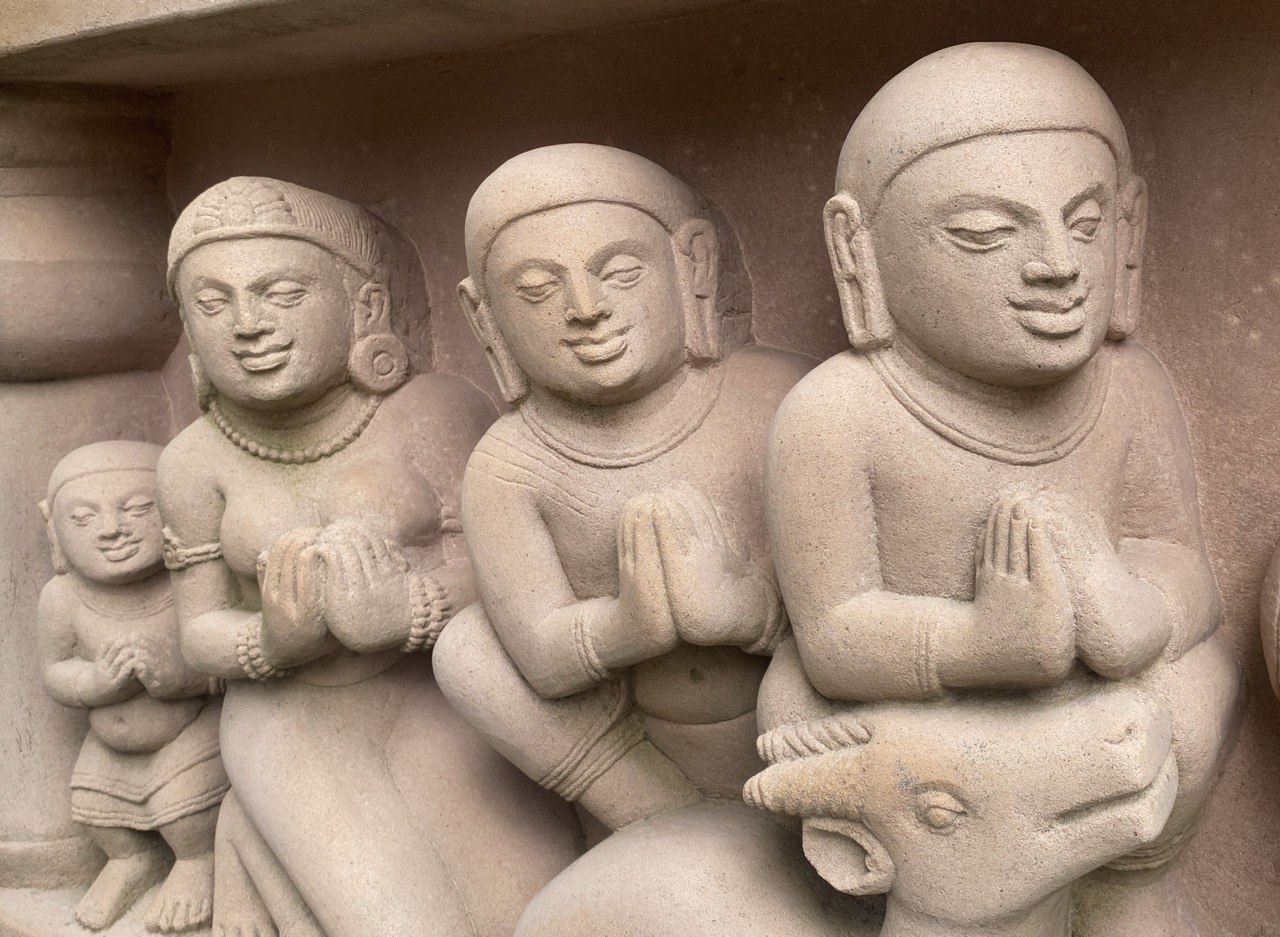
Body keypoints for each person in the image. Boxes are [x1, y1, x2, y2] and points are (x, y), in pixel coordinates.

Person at [763, 43, 1241, 936]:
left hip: (1094, 705)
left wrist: (1127, 599)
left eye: (1087, 224)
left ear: (1128, 230)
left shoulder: (1131, 386)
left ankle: (1124, 888)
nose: (1059, 264)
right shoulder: (835, 414)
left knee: (1190, 692)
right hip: (930, 730)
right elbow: (831, 634)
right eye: (987, 233)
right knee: (839, 733)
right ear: (860, 251)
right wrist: (978, 644)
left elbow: (1181, 562)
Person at [157, 177, 579, 937]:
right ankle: (254, 829)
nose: (248, 325)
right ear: (190, 330)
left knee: (529, 912)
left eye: (281, 292)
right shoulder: (193, 463)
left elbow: (510, 575)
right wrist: (271, 641)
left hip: (435, 697)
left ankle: (249, 839)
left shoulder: (435, 411)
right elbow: (197, 635)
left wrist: (403, 611)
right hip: (291, 715)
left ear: (366, 309)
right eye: (214, 305)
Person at [433, 144, 823, 930]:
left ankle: (796, 848)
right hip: (635, 760)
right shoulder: (512, 463)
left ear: (692, 267)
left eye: (619, 272)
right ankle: (665, 825)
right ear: (487, 318)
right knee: (466, 650)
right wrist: (628, 625)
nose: (584, 307)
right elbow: (538, 653)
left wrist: (748, 614)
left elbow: (848, 592)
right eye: (538, 290)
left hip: (789, 738)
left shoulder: (778, 400)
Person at [38, 441, 225, 933]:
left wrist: (175, 677)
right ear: (53, 531)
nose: (110, 530)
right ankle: (131, 861)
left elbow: (222, 662)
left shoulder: (188, 584)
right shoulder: (61, 598)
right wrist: (93, 683)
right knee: (98, 815)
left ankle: (195, 863)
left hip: (187, 733)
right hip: (109, 745)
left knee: (186, 814)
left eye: (137, 508)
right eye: (81, 518)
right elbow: (55, 671)